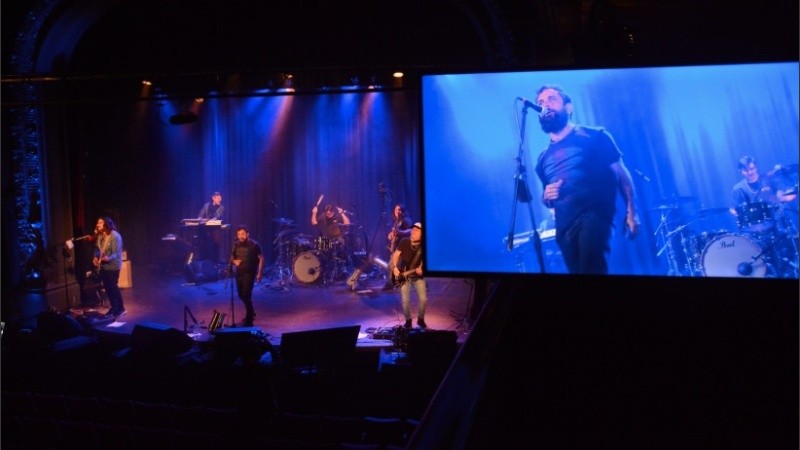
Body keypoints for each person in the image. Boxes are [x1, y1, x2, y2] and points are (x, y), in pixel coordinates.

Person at [532, 84, 640, 275]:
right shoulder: (543, 159)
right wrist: (547, 196)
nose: (545, 105)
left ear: (568, 108)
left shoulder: (596, 136)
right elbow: (547, 200)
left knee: (591, 270)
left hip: (595, 215)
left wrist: (632, 210)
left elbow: (621, 173)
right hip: (565, 228)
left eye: (551, 99)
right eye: (540, 102)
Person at [729, 155, 798, 232]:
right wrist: (742, 216)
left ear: (756, 167)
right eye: (745, 170)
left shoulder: (769, 180)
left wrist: (779, 198)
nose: (749, 172)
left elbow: (786, 195)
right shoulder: (738, 188)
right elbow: (732, 209)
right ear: (740, 171)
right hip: (753, 228)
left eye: (752, 169)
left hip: (777, 221)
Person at [390, 222, 427, 329]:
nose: (413, 232)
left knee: (423, 299)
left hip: (417, 276)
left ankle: (420, 319)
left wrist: (423, 271)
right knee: (405, 301)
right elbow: (396, 255)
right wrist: (395, 267)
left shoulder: (425, 246)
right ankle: (408, 320)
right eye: (413, 230)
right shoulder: (404, 241)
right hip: (403, 276)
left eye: (417, 230)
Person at [230, 225, 264, 327]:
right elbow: (231, 259)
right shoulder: (235, 245)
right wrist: (234, 261)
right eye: (239, 234)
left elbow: (261, 259)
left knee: (246, 295)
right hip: (239, 273)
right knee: (241, 295)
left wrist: (260, 273)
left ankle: (249, 320)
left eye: (243, 234)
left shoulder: (254, 245)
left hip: (249, 273)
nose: (240, 236)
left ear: (247, 234)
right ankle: (252, 312)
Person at [93, 216, 126, 317]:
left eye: (100, 222)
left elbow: (116, 252)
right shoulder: (100, 236)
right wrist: (95, 257)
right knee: (108, 288)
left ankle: (121, 308)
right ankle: (113, 307)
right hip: (104, 266)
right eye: (97, 222)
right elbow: (97, 249)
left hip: (113, 266)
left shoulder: (115, 236)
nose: (97, 224)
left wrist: (109, 258)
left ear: (106, 224)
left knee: (113, 287)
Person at [383, 203, 413, 290]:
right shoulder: (397, 221)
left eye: (399, 210)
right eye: (396, 210)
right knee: (393, 266)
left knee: (392, 266)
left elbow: (410, 230)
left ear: (403, 211)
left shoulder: (406, 220)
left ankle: (390, 284)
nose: (397, 211)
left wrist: (400, 232)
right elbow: (396, 233)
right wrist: (391, 235)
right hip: (396, 247)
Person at [196, 191, 225, 262]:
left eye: (220, 198)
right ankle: (204, 261)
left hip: (215, 230)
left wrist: (207, 220)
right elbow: (200, 215)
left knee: (215, 246)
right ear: (213, 198)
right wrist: (199, 220)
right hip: (205, 229)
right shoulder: (206, 206)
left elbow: (216, 217)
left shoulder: (221, 207)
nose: (220, 200)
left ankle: (215, 262)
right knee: (204, 245)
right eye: (218, 198)